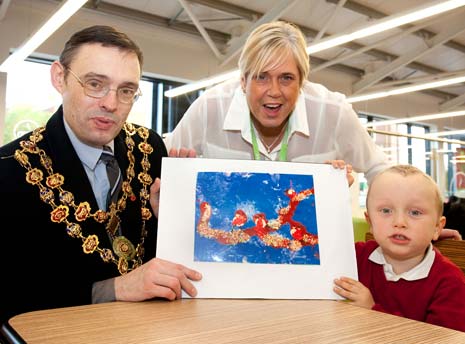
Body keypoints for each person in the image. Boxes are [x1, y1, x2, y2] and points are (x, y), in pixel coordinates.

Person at [0, 25, 201, 324]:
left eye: (126, 90)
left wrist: (174, 219)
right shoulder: (10, 170)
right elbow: (10, 291)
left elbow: (164, 262)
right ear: (60, 78)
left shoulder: (150, 148)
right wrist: (113, 289)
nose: (111, 103)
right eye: (95, 84)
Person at [164, 21, 389, 185]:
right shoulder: (211, 108)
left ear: (302, 81)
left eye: (286, 78)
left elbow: (380, 169)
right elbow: (160, 159)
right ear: (243, 81)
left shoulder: (333, 112)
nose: (274, 91)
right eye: (262, 77)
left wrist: (384, 220)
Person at [333, 165, 465, 332]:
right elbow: (311, 248)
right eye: (386, 210)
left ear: (437, 228)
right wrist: (330, 189)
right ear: (370, 222)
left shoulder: (449, 282)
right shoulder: (356, 256)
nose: (399, 222)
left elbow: (442, 339)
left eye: (415, 213)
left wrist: (372, 313)